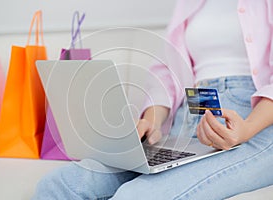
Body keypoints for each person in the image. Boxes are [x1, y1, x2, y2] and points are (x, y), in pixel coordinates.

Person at [32, 0, 273, 199]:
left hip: (255, 120)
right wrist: (153, 121)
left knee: (135, 196)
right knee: (59, 186)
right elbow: (168, 70)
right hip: (189, 114)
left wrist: (248, 128)